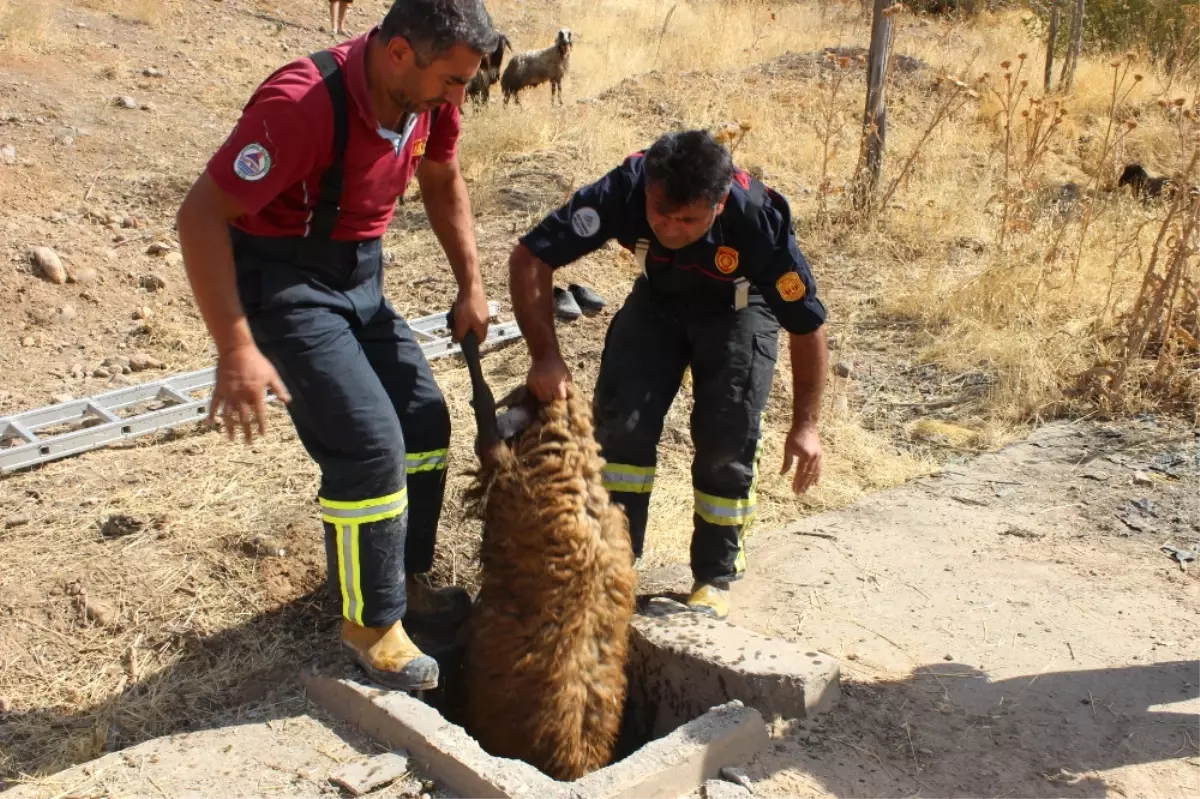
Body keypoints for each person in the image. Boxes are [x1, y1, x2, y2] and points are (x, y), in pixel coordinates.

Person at [175, 0, 499, 692]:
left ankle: (399, 578)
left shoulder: (431, 99)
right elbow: (200, 214)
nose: (459, 97)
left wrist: (470, 282)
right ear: (400, 54)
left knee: (423, 422)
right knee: (368, 440)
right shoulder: (302, 105)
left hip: (361, 270)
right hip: (283, 279)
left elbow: (442, 181)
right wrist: (235, 346)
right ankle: (370, 623)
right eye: (453, 81)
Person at [507, 129, 829, 621]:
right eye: (660, 214)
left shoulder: (757, 218)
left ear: (719, 205)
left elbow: (807, 325)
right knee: (621, 429)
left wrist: (806, 425)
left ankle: (714, 575)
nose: (671, 230)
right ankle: (614, 563)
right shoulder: (625, 188)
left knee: (727, 437)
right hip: (658, 299)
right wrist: (545, 355)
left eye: (688, 220)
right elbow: (531, 256)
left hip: (739, 306)